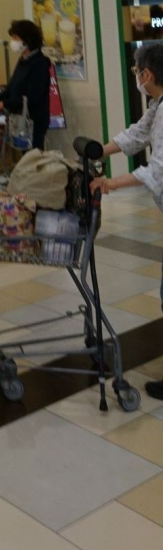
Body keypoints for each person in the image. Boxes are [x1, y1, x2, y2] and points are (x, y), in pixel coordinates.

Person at [91, 40, 163, 400]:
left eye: (137, 70)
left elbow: (159, 170)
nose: (135, 76)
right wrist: (97, 151)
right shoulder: (158, 105)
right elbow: (137, 134)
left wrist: (112, 183)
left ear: (147, 74)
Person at [0, 19, 51, 153]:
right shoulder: (23, 60)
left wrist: (4, 104)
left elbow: (33, 97)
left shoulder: (39, 64)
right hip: (20, 119)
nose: (13, 42)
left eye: (15, 38)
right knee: (25, 156)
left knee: (33, 158)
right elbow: (11, 88)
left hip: (34, 121)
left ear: (27, 40)